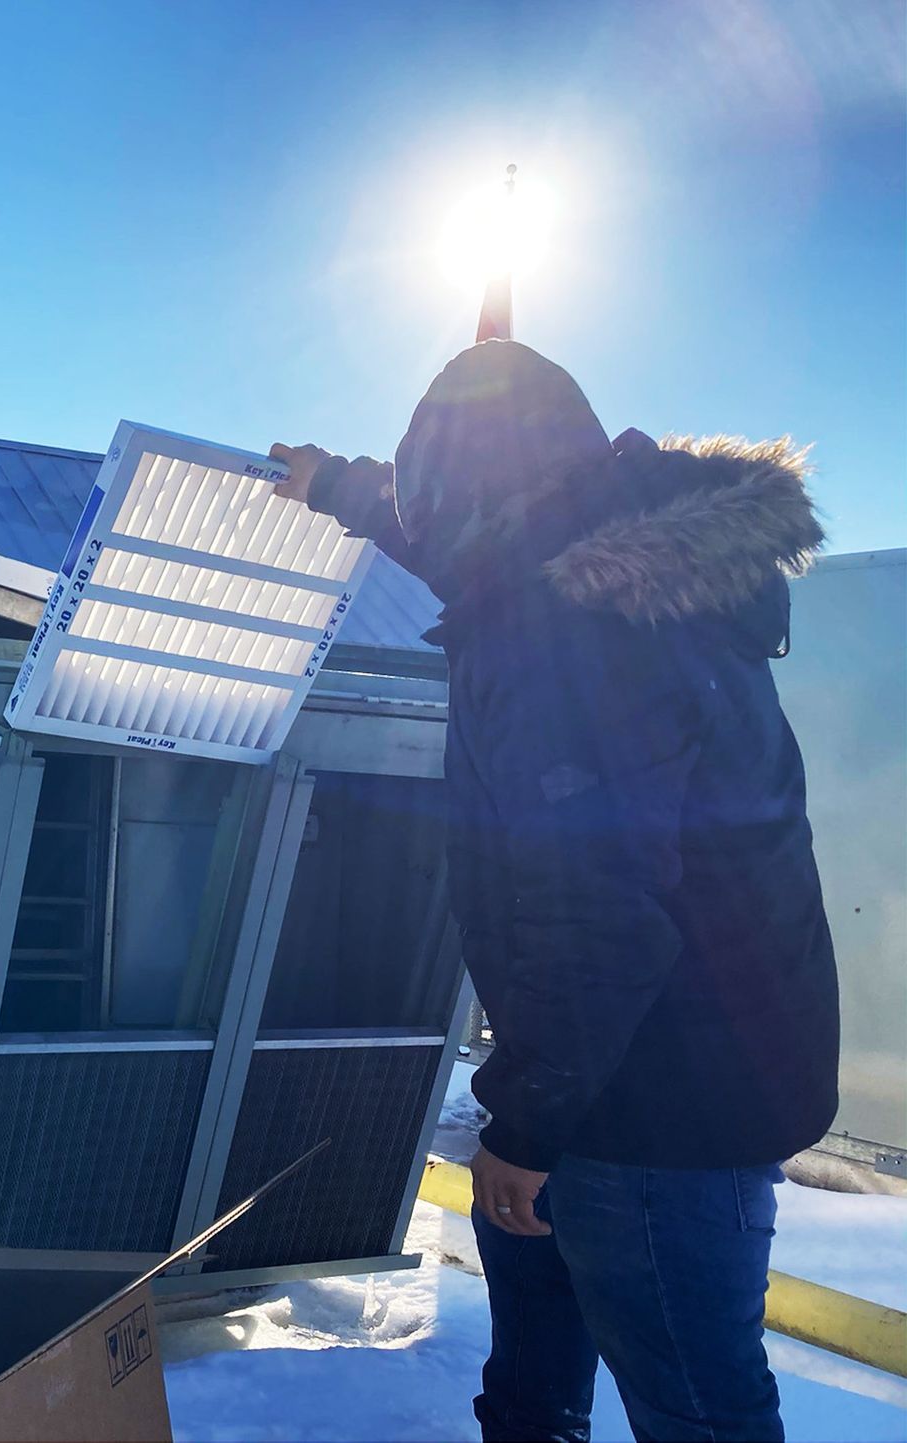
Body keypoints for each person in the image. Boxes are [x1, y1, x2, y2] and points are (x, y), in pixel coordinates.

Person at [271, 340, 840, 1443]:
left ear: (470, 487)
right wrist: (334, 487)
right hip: (646, 1073)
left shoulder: (566, 641)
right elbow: (462, 548)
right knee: (538, 1375)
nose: (423, 521)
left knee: (698, 1406)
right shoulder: (596, 568)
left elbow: (599, 917)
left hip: (655, 1107)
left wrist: (527, 1129)